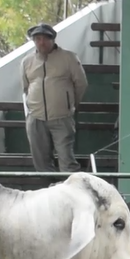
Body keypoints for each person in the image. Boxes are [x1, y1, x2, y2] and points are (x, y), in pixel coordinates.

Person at [21, 23, 88, 172]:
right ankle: (49, 189)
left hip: (61, 117)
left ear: (52, 40)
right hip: (36, 118)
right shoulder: (27, 61)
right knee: (41, 163)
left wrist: (69, 105)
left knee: (67, 161)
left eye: (45, 38)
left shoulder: (68, 58)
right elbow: (26, 88)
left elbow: (81, 84)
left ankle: (70, 192)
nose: (41, 42)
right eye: (37, 39)